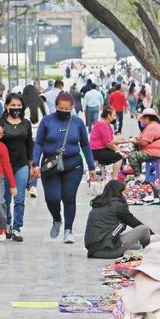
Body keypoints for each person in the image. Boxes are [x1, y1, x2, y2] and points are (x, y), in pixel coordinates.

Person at [32, 91, 96, 244]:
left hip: (73, 165)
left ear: (72, 108)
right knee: (52, 197)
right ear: (56, 106)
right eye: (61, 108)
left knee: (69, 197)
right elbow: (38, 143)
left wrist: (92, 167)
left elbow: (85, 145)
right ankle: (56, 219)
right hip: (51, 165)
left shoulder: (77, 123)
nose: (64, 111)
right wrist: (35, 163)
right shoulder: (47, 121)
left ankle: (68, 230)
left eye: (67, 109)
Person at [84, 180, 151, 258]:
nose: (125, 195)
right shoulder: (116, 205)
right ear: (118, 192)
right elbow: (133, 222)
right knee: (144, 229)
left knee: (136, 245)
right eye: (123, 192)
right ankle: (150, 250)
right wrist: (152, 233)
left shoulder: (100, 203)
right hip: (107, 250)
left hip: (93, 251)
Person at [0, 93, 32, 242]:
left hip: (22, 164)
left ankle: (17, 227)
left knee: (19, 198)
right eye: (13, 105)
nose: (16, 108)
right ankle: (7, 224)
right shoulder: (0, 124)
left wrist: (32, 165)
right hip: (4, 165)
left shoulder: (26, 124)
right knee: (5, 198)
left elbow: (29, 144)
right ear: (6, 106)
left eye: (19, 105)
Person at [89, 107, 126, 179]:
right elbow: (108, 143)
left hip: (97, 150)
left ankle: (114, 175)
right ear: (108, 116)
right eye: (114, 115)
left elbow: (111, 140)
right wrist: (118, 151)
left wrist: (124, 141)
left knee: (119, 151)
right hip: (97, 152)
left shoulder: (103, 124)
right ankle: (114, 178)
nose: (115, 117)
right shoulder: (103, 126)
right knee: (119, 157)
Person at [127, 108, 160, 175]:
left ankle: (138, 176)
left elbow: (144, 143)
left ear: (147, 118)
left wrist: (134, 142)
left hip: (153, 153)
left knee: (132, 156)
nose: (142, 121)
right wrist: (137, 139)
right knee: (137, 155)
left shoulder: (151, 127)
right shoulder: (157, 125)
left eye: (143, 119)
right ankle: (140, 174)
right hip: (158, 151)